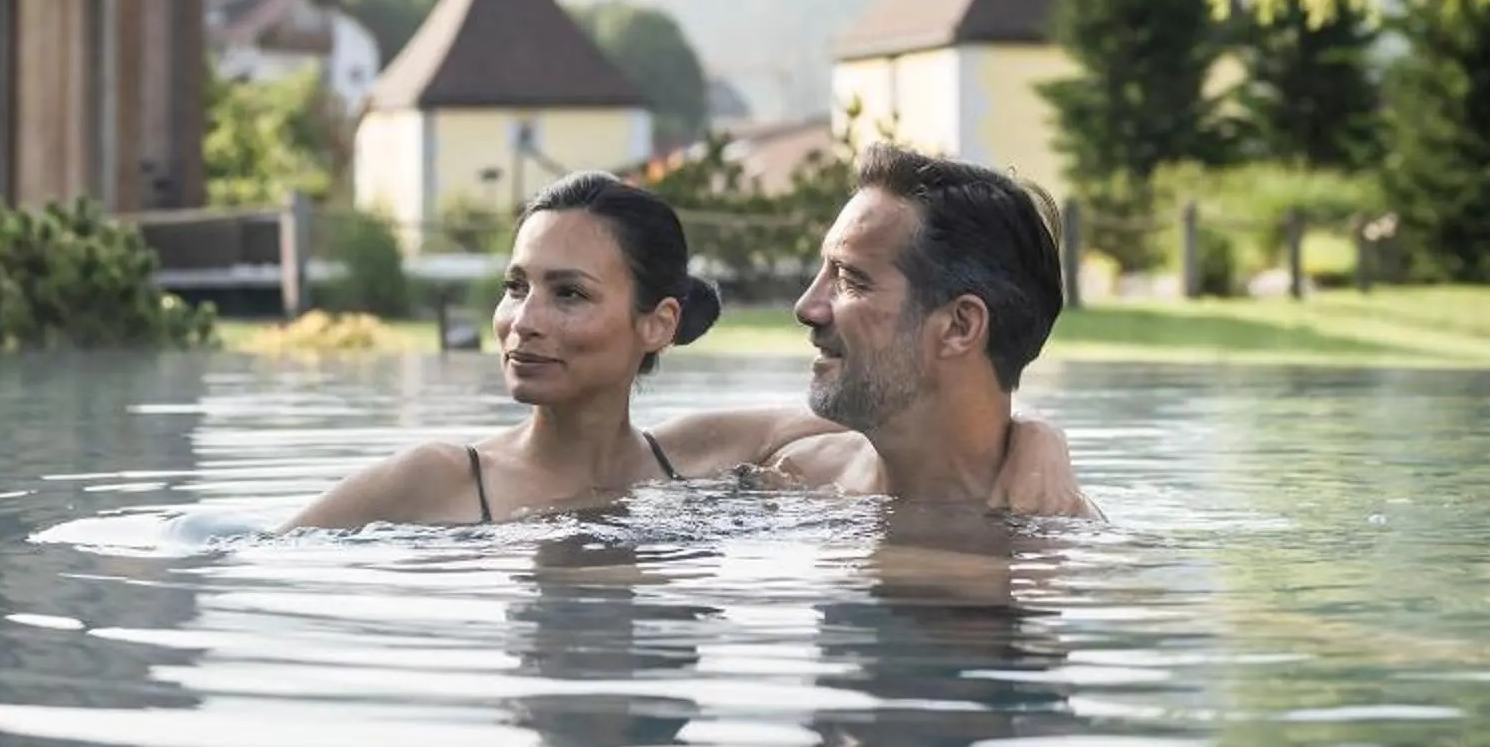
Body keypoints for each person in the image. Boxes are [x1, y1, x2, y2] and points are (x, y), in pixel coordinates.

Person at [282, 169, 1085, 528]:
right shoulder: (794, 476)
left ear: (657, 323)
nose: (523, 320)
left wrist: (1038, 436)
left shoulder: (719, 462)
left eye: (569, 293)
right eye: (516, 285)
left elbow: (951, 420)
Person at [760, 143, 1102, 518]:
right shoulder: (797, 469)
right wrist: (1039, 430)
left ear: (960, 327)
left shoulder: (1048, 554)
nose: (807, 307)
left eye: (850, 280)